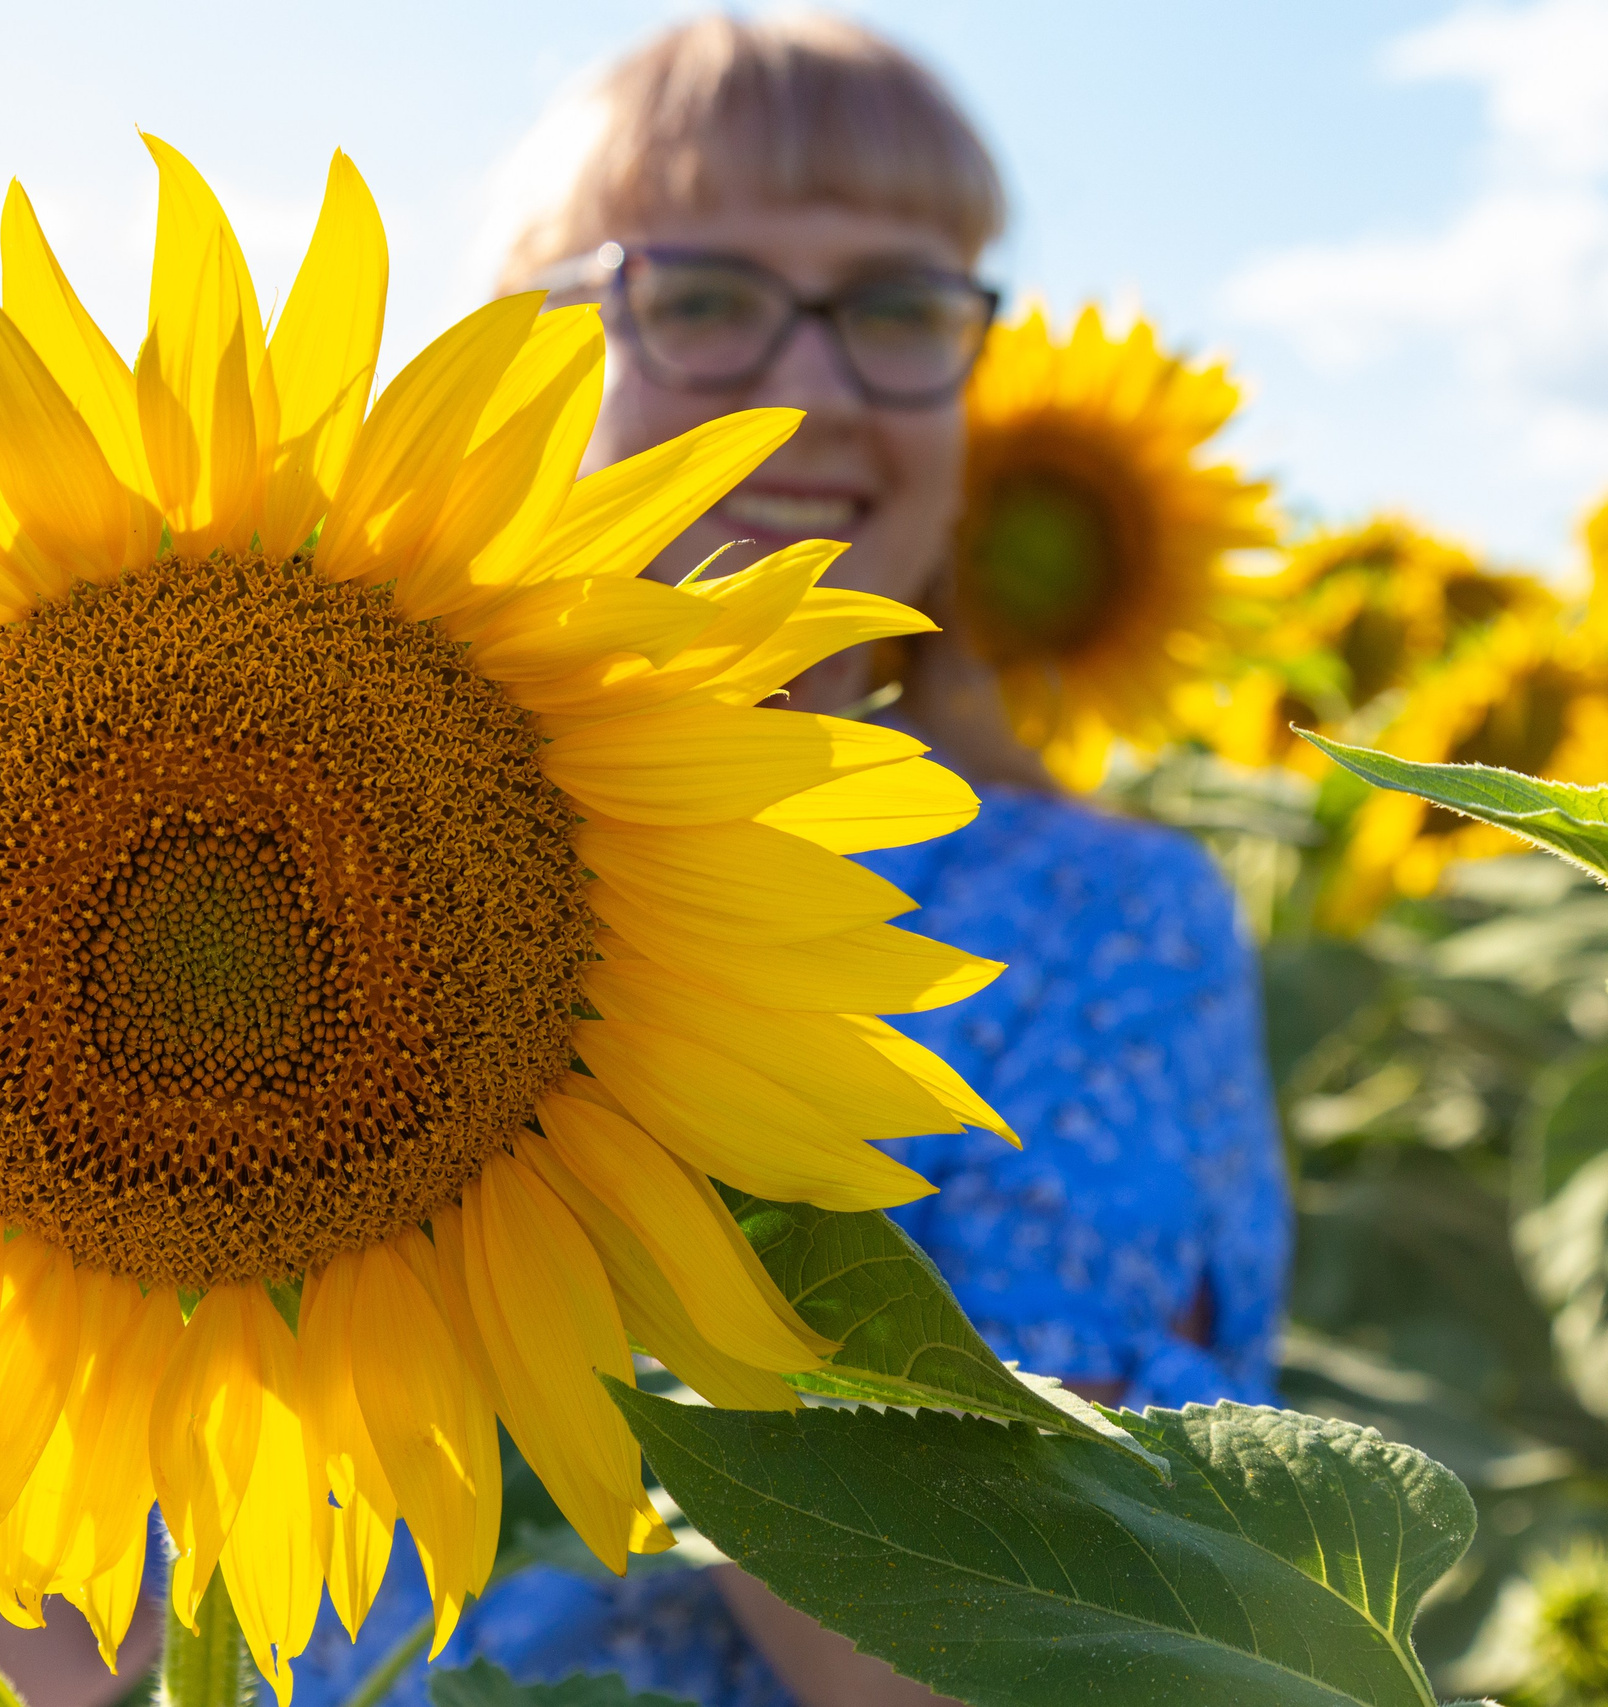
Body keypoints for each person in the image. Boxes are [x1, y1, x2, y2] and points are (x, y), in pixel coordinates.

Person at [291, 13, 1290, 1705]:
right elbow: (54, 1570)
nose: (812, 390)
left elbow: (1005, 1644)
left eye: (899, 307)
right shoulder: (254, 819)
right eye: (699, 298)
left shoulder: (1105, 922)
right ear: (525, 361)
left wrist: (591, 1039)